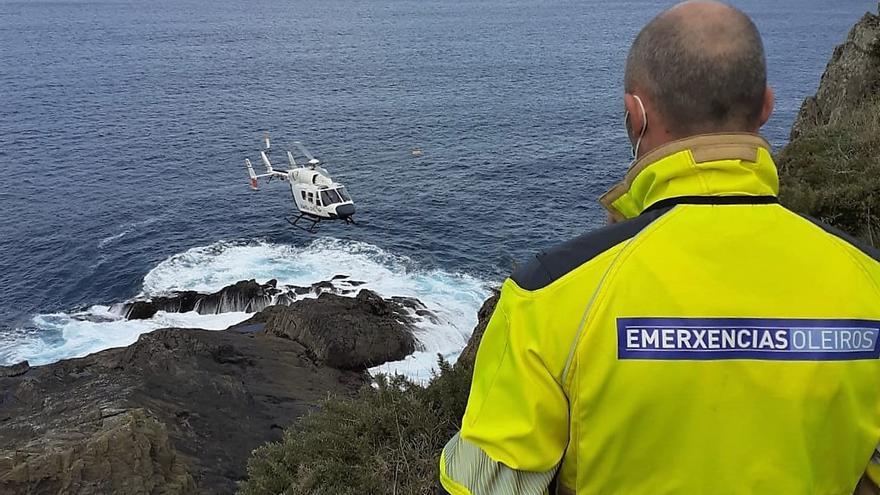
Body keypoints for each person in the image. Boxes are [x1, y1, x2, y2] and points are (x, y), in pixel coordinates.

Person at [438, 1, 880, 494]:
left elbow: (480, 486)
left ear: (635, 114)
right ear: (766, 108)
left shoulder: (550, 295)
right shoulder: (870, 282)